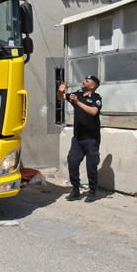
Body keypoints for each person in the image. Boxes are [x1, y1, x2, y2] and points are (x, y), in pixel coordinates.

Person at [57, 75, 102, 203]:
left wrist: (77, 103)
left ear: (92, 86)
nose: (83, 82)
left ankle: (92, 191)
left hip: (91, 139)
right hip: (78, 138)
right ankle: (75, 189)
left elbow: (93, 111)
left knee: (91, 165)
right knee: (72, 162)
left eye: (87, 81)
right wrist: (60, 91)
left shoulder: (96, 98)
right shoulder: (78, 94)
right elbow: (61, 97)